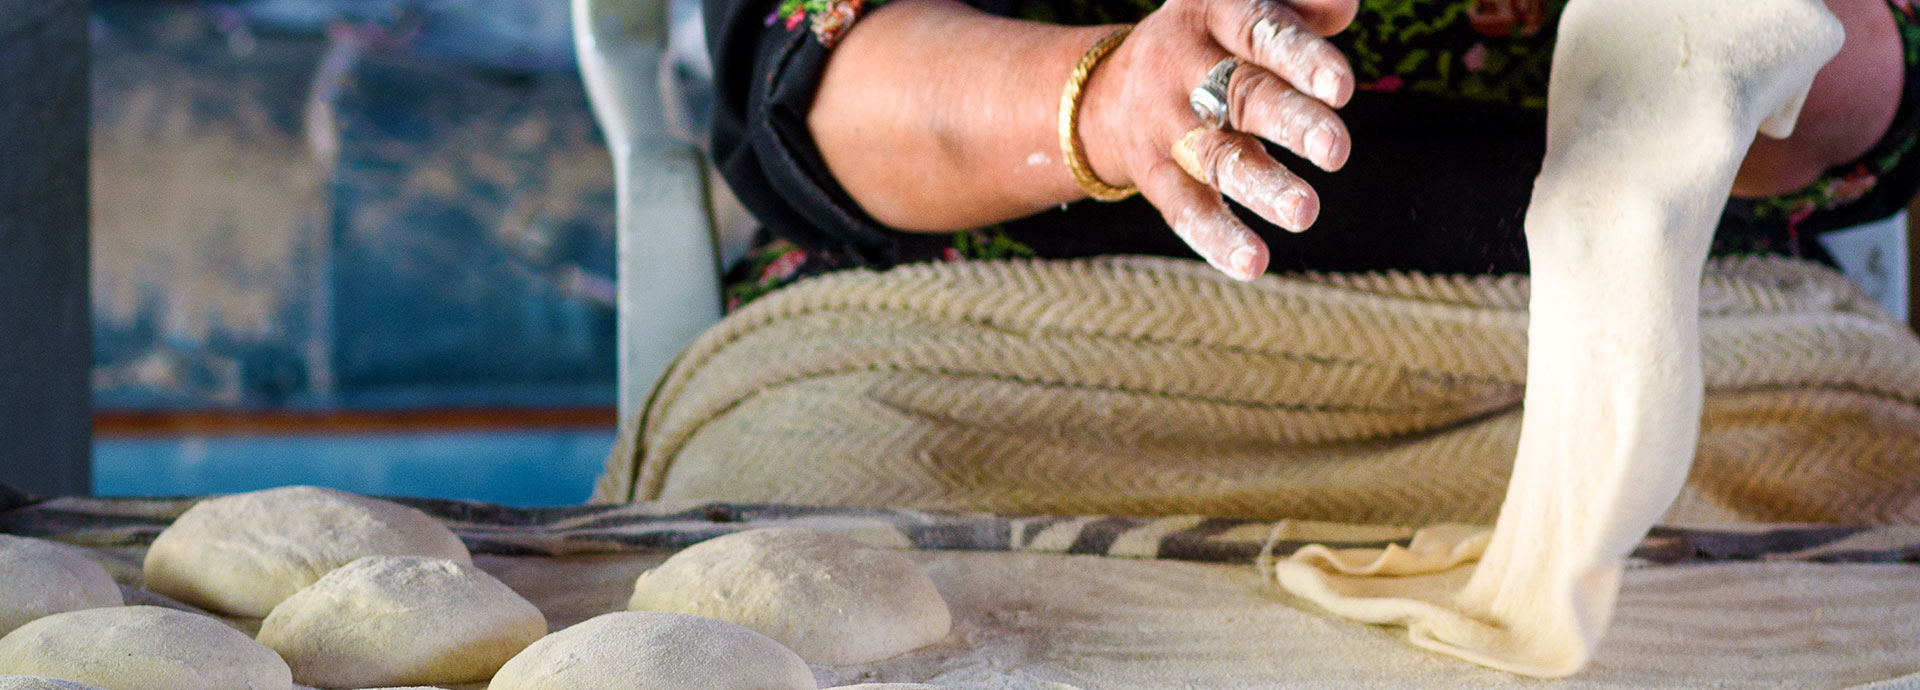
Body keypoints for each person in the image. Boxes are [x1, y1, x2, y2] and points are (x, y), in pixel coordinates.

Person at [706, 0, 1916, 309]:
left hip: (1683, 304)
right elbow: (804, 78)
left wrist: (1779, 67)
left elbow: (1884, 70)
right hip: (995, 311)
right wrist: (1111, 102)